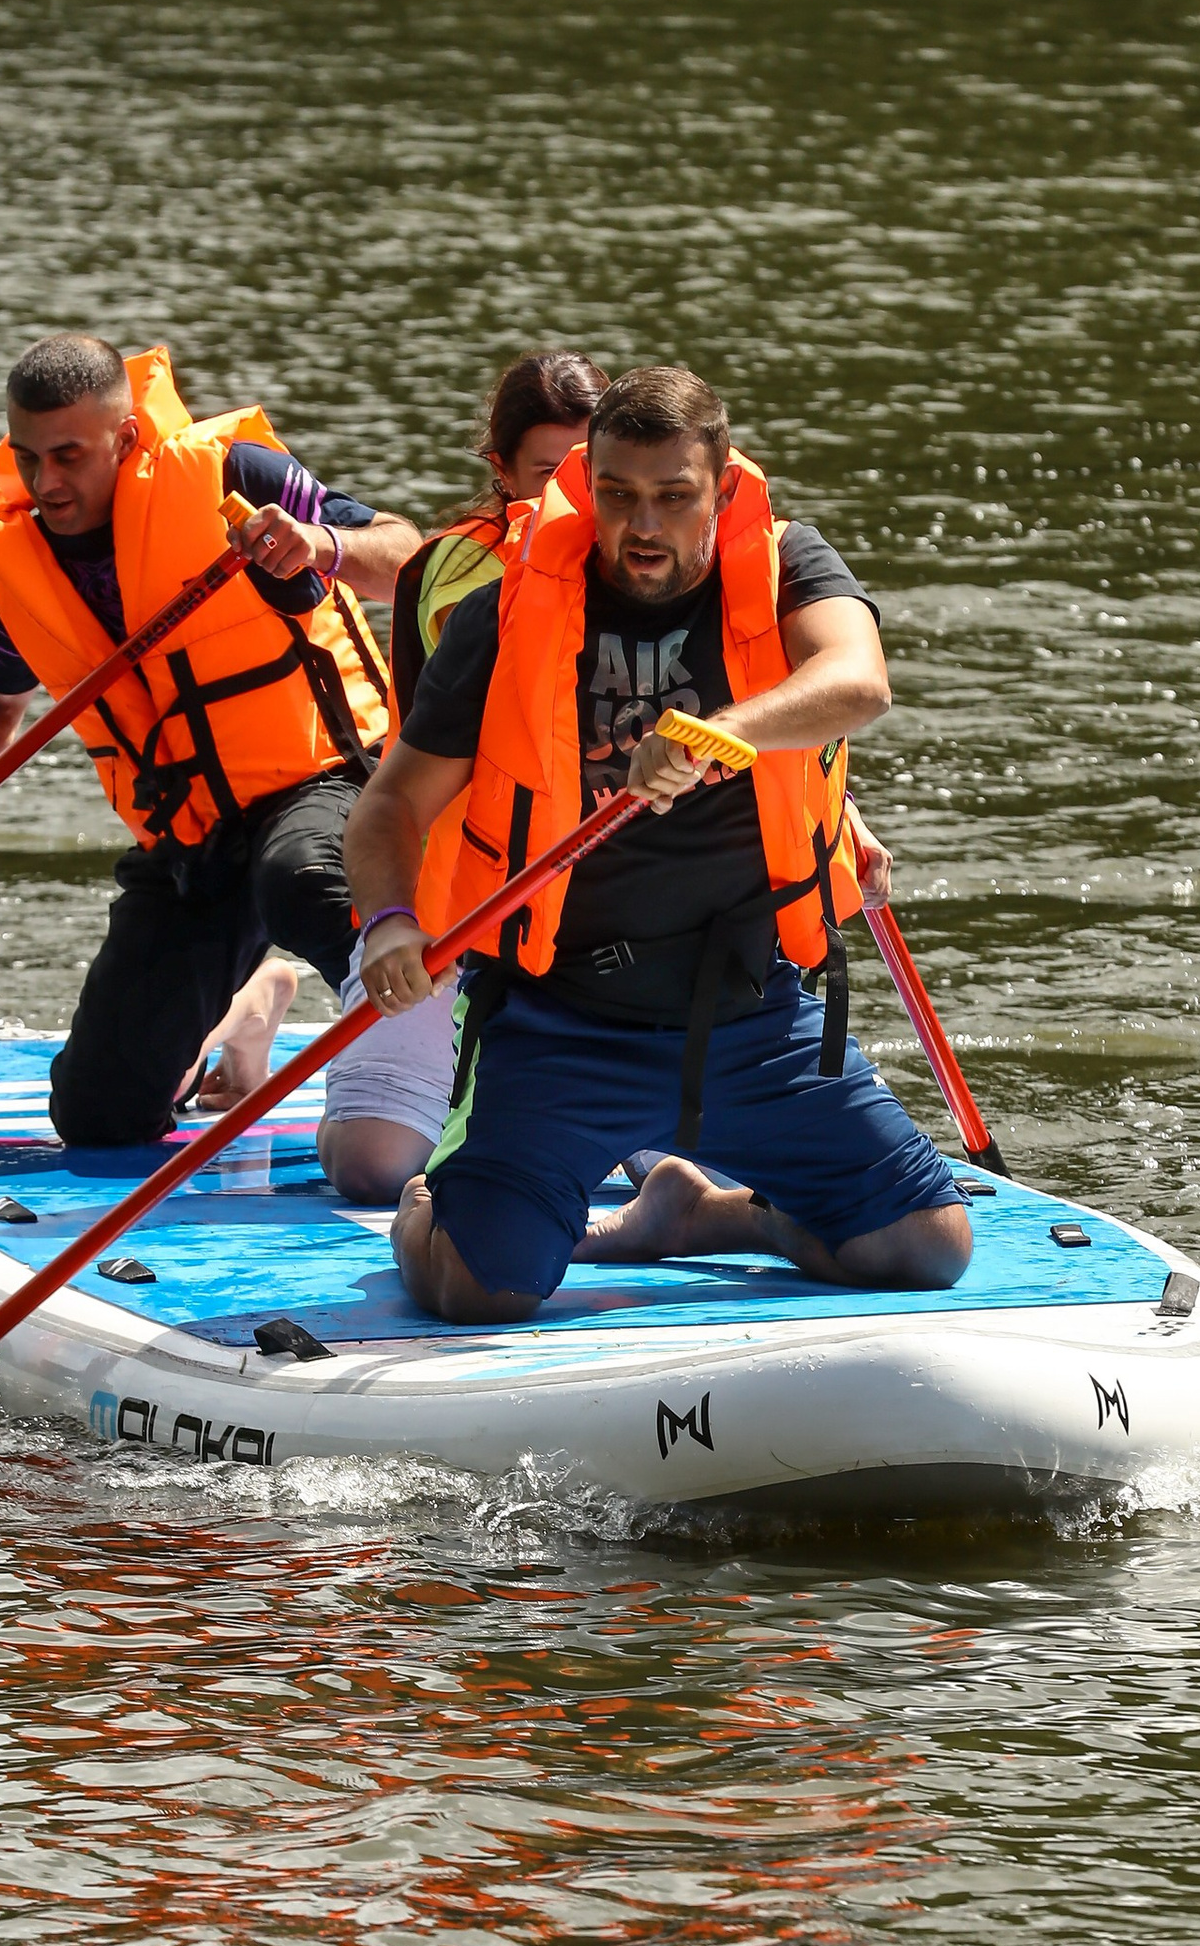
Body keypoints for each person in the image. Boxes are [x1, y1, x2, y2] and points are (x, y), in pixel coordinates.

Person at [341, 363, 973, 1323]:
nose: (643, 526)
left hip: (751, 1013)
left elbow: (860, 681)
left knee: (926, 1247)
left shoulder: (790, 564)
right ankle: (437, 1202)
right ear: (586, 486)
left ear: (721, 489)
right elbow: (391, 805)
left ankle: (717, 1215)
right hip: (562, 1020)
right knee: (477, 1291)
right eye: (618, 495)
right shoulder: (505, 611)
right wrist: (389, 922)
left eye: (675, 497)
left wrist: (715, 733)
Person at [0, 335, 418, 1148]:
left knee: (297, 878)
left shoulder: (234, 474)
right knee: (99, 1116)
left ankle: (446, 1062)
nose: (47, 483)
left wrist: (323, 544)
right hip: (191, 835)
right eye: (28, 458)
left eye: (69, 456)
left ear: (123, 439)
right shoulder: (21, 555)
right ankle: (249, 1002)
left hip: (325, 783)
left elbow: (408, 558)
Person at [192, 350, 613, 1198]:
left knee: (681, 1162)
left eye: (592, 476)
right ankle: (278, 1010)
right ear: (500, 472)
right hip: (472, 894)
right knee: (372, 1169)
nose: (575, 502)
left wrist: (841, 814)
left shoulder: (664, 560)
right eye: (547, 476)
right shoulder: (457, 581)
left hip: (616, 911)